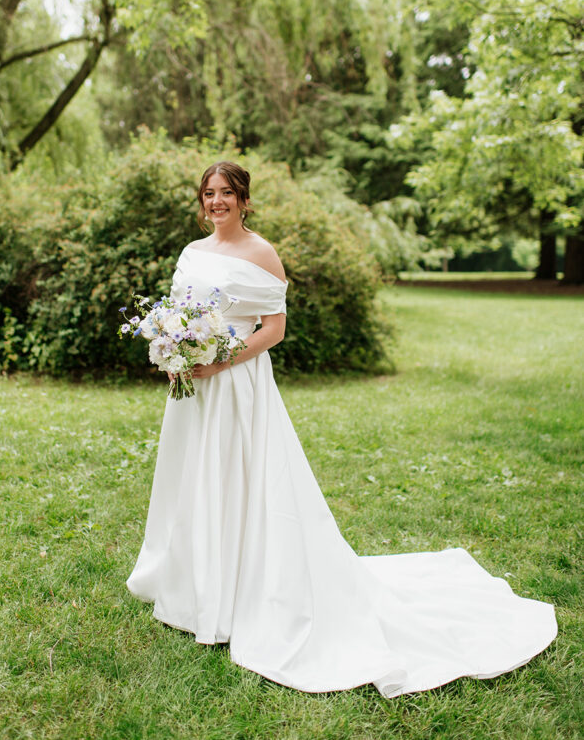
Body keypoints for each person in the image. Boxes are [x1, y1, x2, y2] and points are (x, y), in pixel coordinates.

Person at [126, 161, 557, 696]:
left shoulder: (261, 253)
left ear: (244, 201)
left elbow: (274, 330)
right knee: (195, 478)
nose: (217, 202)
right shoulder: (192, 254)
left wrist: (221, 359)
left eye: (227, 194)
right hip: (192, 390)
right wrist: (174, 351)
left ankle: (245, 593)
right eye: (209, 194)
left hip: (237, 384)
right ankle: (195, 587)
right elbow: (178, 312)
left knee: (240, 478)